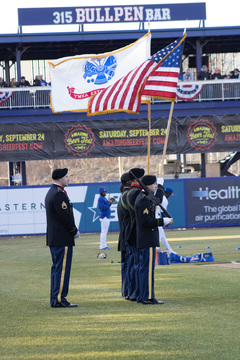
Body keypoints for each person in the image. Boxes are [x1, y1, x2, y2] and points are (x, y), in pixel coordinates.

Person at [135, 175, 173, 305]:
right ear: (147, 185)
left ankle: (143, 295)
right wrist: (162, 221)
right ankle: (148, 297)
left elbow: (157, 199)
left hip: (146, 238)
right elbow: (146, 222)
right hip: (147, 238)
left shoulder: (145, 198)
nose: (156, 186)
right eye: (154, 184)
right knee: (147, 269)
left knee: (144, 268)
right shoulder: (144, 201)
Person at [45, 168, 80, 308]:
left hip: (56, 238)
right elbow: (64, 216)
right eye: (66, 176)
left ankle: (56, 298)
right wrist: (73, 230)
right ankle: (59, 299)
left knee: (57, 269)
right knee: (62, 269)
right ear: (59, 179)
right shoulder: (59, 195)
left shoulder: (53, 192)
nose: (68, 179)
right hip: (62, 237)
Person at [124, 167, 145, 302]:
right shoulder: (136, 193)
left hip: (129, 232)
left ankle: (132, 292)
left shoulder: (128, 192)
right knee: (138, 266)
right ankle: (137, 293)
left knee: (133, 266)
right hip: (136, 233)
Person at [117, 172, 132, 299]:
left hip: (123, 237)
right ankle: (129, 291)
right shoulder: (127, 196)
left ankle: (126, 291)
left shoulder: (122, 196)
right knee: (129, 266)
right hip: (129, 236)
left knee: (125, 266)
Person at [156, 184, 176, 255]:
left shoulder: (161, 197)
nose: (169, 196)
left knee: (162, 235)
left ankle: (170, 250)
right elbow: (163, 212)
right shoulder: (164, 200)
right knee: (159, 234)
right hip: (157, 217)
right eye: (169, 194)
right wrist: (165, 222)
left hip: (156, 216)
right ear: (166, 193)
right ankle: (155, 250)